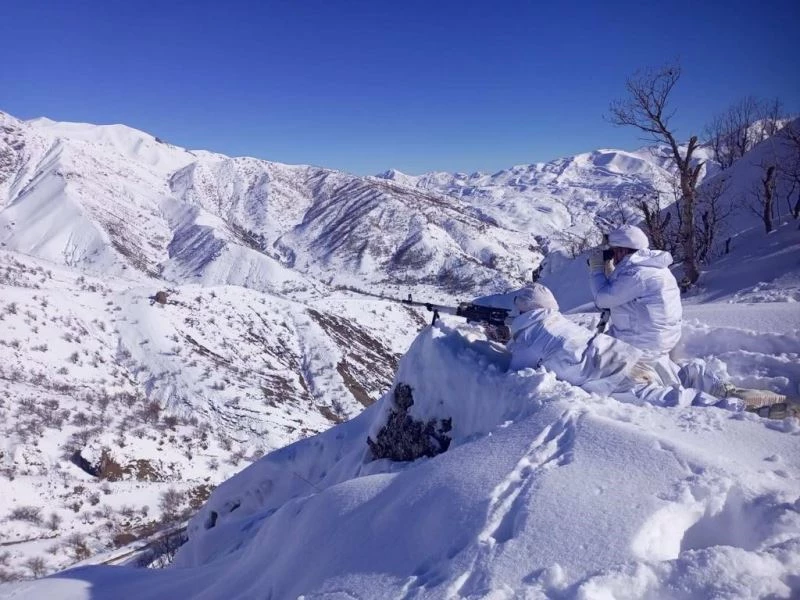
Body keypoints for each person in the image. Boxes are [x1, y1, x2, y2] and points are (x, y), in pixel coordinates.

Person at [587, 224, 786, 411]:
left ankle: (733, 407)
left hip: (640, 346)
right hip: (657, 341)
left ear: (622, 250)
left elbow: (603, 299)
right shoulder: (654, 268)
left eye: (613, 251)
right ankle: (728, 390)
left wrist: (597, 270)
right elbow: (621, 294)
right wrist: (612, 271)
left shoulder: (636, 274)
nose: (612, 257)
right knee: (672, 373)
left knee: (630, 390)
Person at [505, 284, 788, 415]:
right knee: (681, 376)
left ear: (522, 310)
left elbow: (517, 374)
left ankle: (743, 407)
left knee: (674, 399)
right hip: (627, 354)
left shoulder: (529, 335)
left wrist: (505, 341)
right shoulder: (559, 320)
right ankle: (727, 389)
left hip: (614, 376)